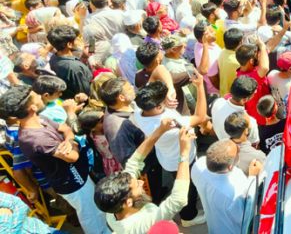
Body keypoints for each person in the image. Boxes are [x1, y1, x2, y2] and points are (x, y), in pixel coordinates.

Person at [0, 85, 110, 234]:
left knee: (95, 209)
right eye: (36, 95)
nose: (40, 96)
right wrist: (73, 142)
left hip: (77, 174)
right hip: (71, 182)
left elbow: (66, 129)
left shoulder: (40, 119)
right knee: (91, 215)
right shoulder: (35, 139)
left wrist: (69, 140)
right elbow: (72, 156)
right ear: (32, 107)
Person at [94, 120, 197, 232]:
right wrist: (184, 154)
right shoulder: (141, 223)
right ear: (128, 202)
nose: (141, 182)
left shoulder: (113, 208)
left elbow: (135, 161)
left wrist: (160, 130)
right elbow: (178, 200)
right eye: (137, 185)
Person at [133, 76, 207, 226]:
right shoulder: (169, 125)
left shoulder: (138, 110)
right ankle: (188, 216)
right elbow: (200, 117)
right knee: (187, 187)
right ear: (158, 107)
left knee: (180, 181)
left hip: (167, 157)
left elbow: (159, 71)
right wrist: (200, 87)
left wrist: (169, 91)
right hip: (181, 159)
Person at [191, 139, 263, 234]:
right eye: (237, 151)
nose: (238, 147)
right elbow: (245, 216)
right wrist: (253, 177)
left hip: (212, 223)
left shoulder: (198, 165)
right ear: (230, 167)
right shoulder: (236, 186)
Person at [47, 25, 92, 100]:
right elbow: (85, 93)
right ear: (69, 44)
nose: (79, 41)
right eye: (76, 40)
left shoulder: (53, 58)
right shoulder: (75, 68)